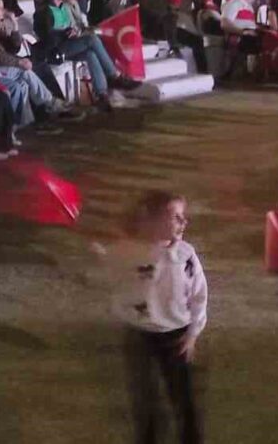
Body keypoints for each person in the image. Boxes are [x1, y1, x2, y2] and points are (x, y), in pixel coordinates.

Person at [106, 190, 207, 444]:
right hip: (139, 334)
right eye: (176, 217)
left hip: (176, 334)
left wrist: (192, 334)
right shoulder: (129, 253)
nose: (184, 222)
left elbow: (198, 295)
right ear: (151, 221)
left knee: (183, 398)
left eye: (183, 216)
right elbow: (115, 282)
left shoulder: (185, 255)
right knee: (144, 397)